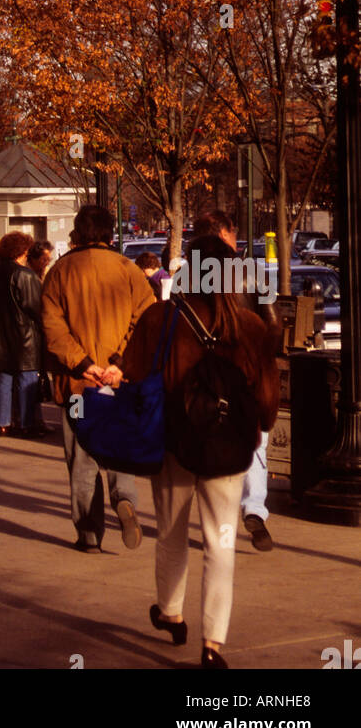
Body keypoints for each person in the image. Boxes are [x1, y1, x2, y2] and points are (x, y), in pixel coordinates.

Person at [123, 234, 279, 668]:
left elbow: (133, 375)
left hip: (175, 442)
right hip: (227, 449)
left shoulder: (161, 318)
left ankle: (171, 612)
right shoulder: (249, 327)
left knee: (171, 533)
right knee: (221, 541)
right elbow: (267, 396)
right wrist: (259, 428)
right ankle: (213, 643)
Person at [41, 204, 155, 551]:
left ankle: (89, 534)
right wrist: (119, 363)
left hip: (78, 383)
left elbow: (52, 326)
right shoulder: (129, 270)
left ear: (77, 233)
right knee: (119, 446)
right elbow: (147, 320)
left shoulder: (60, 271)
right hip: (118, 382)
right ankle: (125, 501)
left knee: (82, 459)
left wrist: (84, 364)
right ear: (109, 233)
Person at [193, 209, 277, 551]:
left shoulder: (191, 275)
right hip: (248, 371)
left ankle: (219, 518)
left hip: (207, 374)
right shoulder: (253, 272)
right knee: (256, 440)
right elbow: (272, 321)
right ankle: (254, 507)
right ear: (226, 233)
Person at [0, 231, 45, 437]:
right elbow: (36, 308)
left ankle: (4, 421)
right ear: (22, 251)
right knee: (27, 377)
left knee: (6, 374)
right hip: (25, 335)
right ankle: (26, 423)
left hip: (1, 332)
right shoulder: (24, 275)